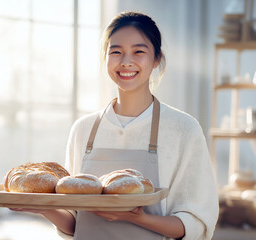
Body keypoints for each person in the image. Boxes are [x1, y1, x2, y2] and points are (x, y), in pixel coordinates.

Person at [11, 11, 219, 240]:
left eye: (138, 51)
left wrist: (136, 217)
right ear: (105, 57)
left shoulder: (184, 129)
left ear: (157, 58)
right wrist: (46, 208)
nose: (126, 61)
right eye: (116, 52)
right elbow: (76, 224)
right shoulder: (83, 129)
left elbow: (196, 224)